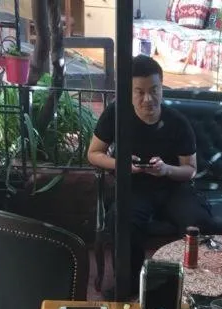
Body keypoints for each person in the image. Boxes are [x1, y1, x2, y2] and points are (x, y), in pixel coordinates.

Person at [87, 54, 212, 295]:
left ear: (162, 88)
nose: (148, 99)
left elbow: (190, 170)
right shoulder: (116, 114)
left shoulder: (177, 122)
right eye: (139, 91)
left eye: (154, 90)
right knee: (122, 221)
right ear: (129, 92)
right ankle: (130, 283)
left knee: (197, 221)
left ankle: (188, 286)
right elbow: (93, 153)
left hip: (172, 186)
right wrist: (121, 165)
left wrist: (166, 169)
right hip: (134, 186)